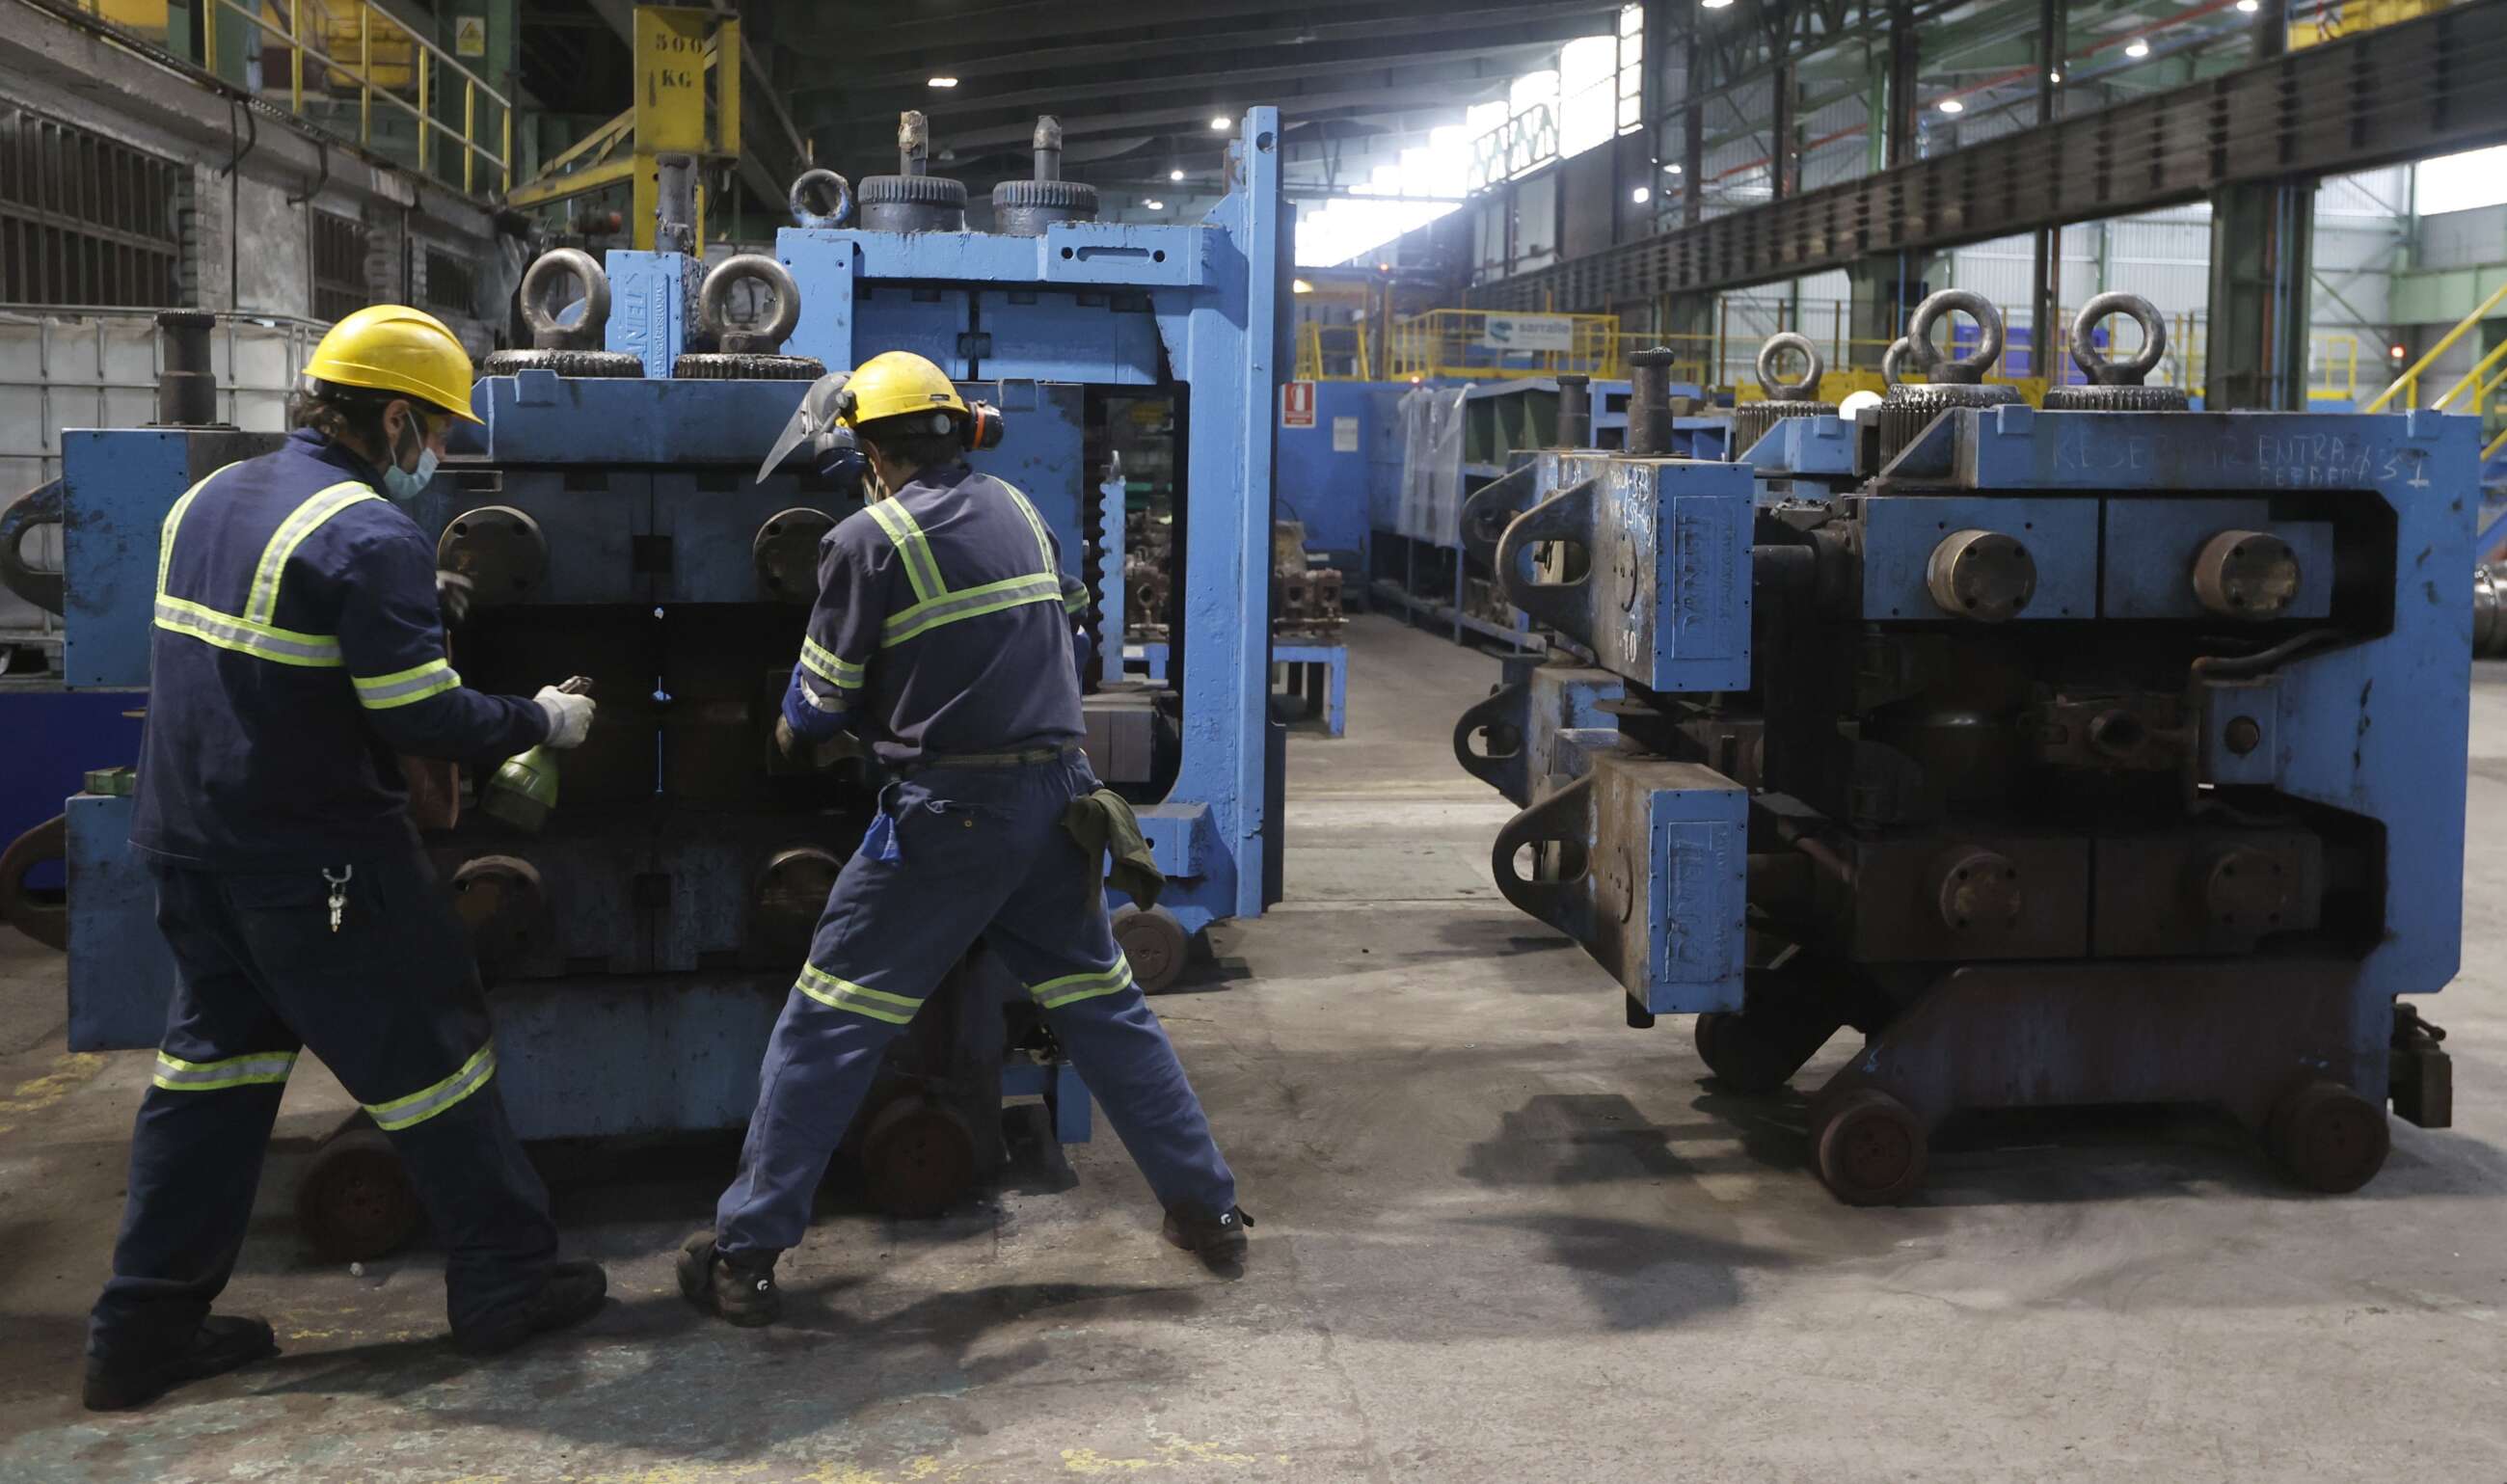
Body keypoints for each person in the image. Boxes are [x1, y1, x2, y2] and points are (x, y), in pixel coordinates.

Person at [83, 306, 608, 1411]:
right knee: (434, 1056)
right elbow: (424, 718)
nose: (447, 458)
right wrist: (543, 722)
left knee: (210, 1083)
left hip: (190, 848)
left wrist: (410, 608)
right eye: (444, 434)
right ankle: (505, 1282)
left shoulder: (207, 498)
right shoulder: (372, 538)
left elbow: (273, 652)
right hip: (312, 859)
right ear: (395, 419)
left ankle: (140, 1331)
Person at [678, 351, 1247, 1327]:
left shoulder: (867, 539)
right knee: (1105, 1010)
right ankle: (1210, 1213)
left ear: (868, 447)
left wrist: (784, 734)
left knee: (828, 1023)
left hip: (946, 823)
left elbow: (817, 704)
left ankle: (744, 1253)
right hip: (1057, 806)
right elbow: (1053, 639)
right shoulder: (1018, 511)